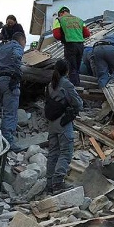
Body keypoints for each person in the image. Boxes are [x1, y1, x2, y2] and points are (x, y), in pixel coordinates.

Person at [45, 59, 83, 194]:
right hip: (63, 122)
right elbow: (77, 103)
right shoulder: (66, 84)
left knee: (53, 153)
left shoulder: (50, 85)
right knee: (66, 152)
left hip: (52, 123)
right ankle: (58, 183)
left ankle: (49, 183)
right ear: (66, 71)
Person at [0, 32, 25, 152]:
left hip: (0, 80)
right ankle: (8, 142)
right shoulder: (17, 46)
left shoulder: (3, 47)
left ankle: (1, 138)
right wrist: (17, 72)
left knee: (5, 111)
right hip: (10, 81)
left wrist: (2, 65)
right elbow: (16, 56)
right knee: (11, 112)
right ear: (22, 40)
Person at [52, 6, 90, 86]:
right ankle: (78, 84)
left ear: (61, 13)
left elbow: (57, 35)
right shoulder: (79, 20)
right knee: (77, 68)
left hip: (70, 45)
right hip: (80, 45)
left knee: (71, 68)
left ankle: (74, 88)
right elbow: (87, 34)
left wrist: (65, 36)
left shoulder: (59, 20)